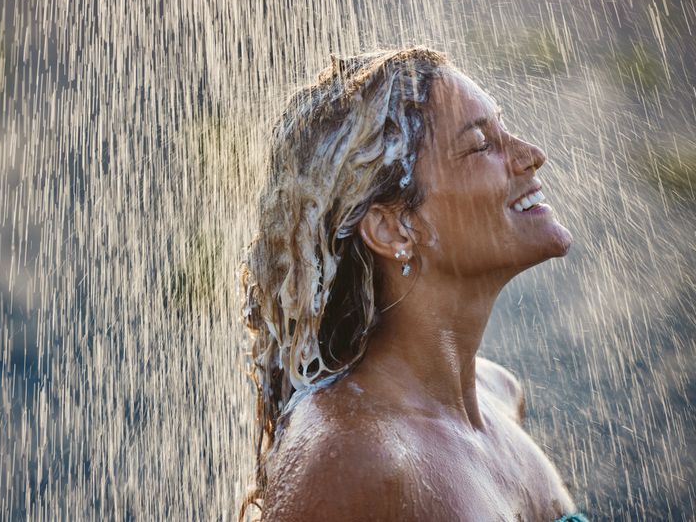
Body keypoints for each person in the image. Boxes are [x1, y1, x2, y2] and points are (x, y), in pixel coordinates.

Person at [240, 47, 587, 521]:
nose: (531, 156)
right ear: (394, 229)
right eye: (480, 144)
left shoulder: (501, 394)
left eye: (503, 128)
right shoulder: (347, 454)